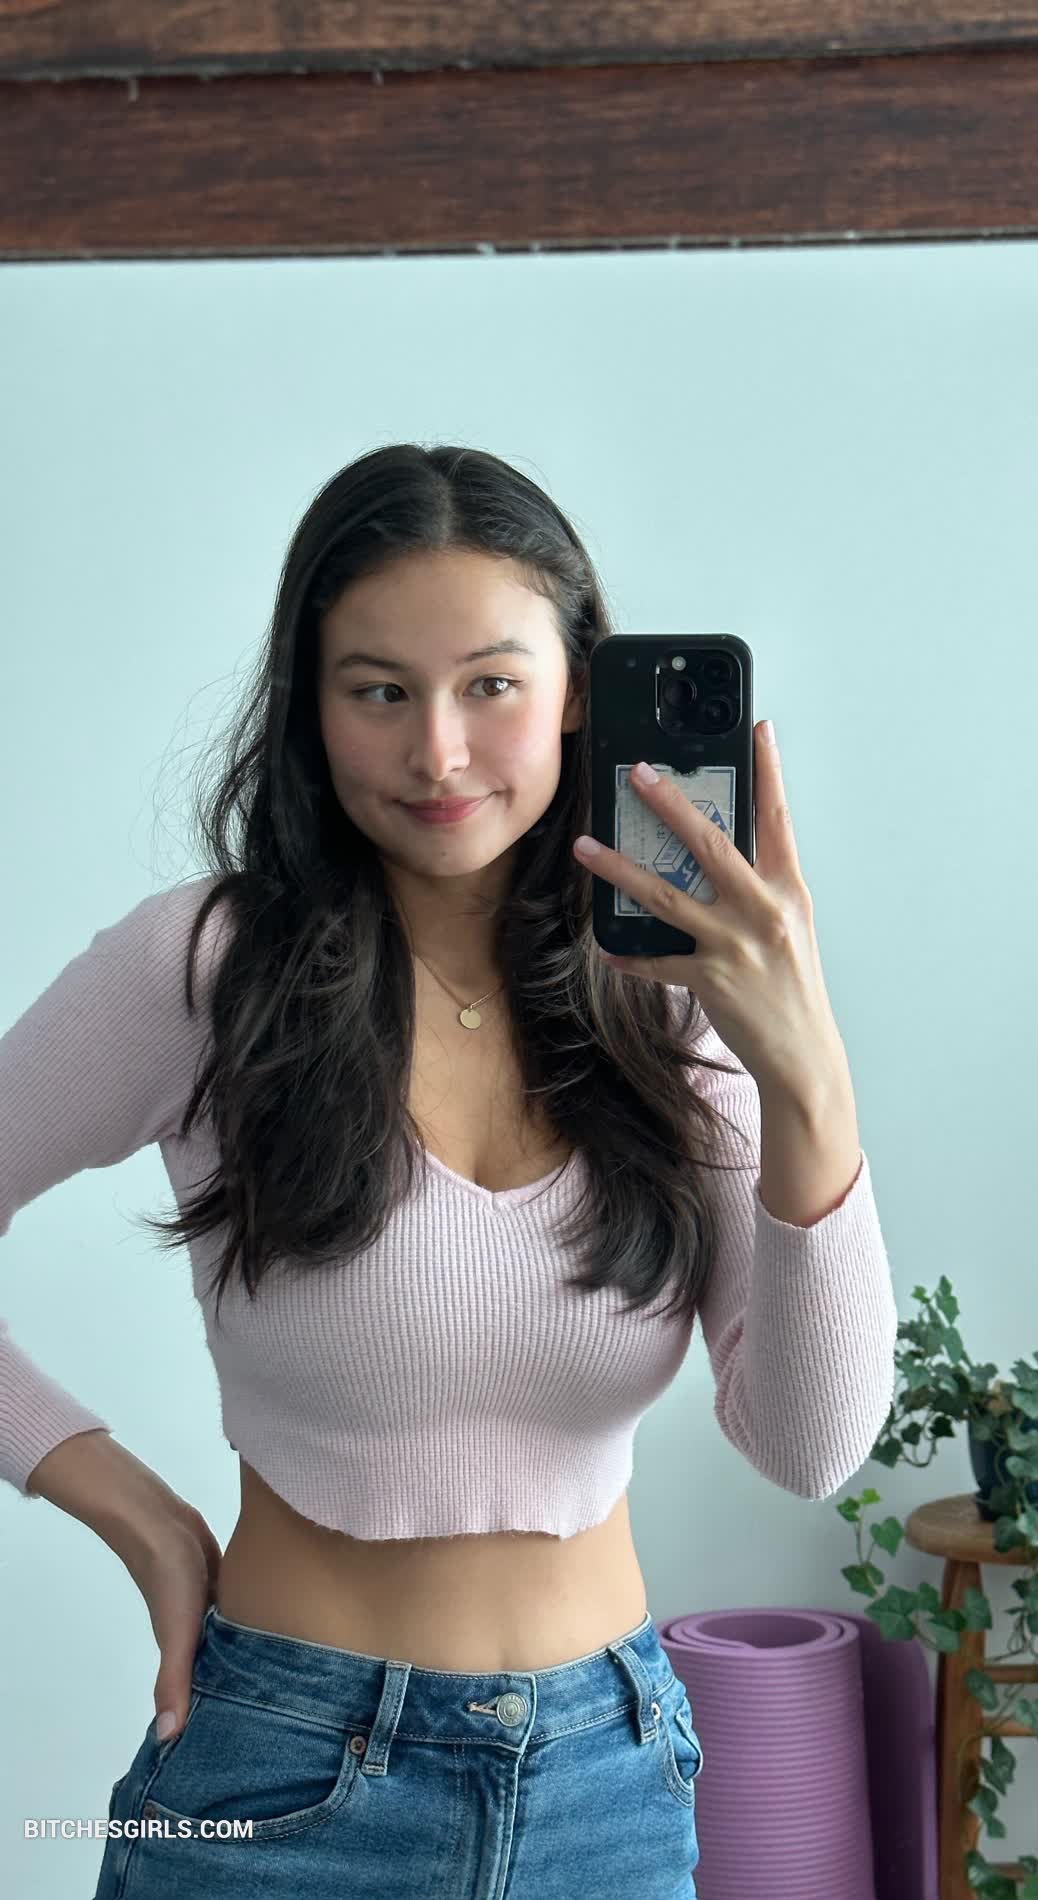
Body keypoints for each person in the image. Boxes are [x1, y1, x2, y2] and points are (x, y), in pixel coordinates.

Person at [2, 443, 899, 1898]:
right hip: (275, 1776)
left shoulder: (678, 997)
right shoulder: (206, 967)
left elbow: (811, 1447)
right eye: (379, 691)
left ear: (579, 692)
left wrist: (809, 1071)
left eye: (490, 685)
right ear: (310, 705)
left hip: (608, 1790)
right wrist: (131, 1508)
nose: (437, 754)